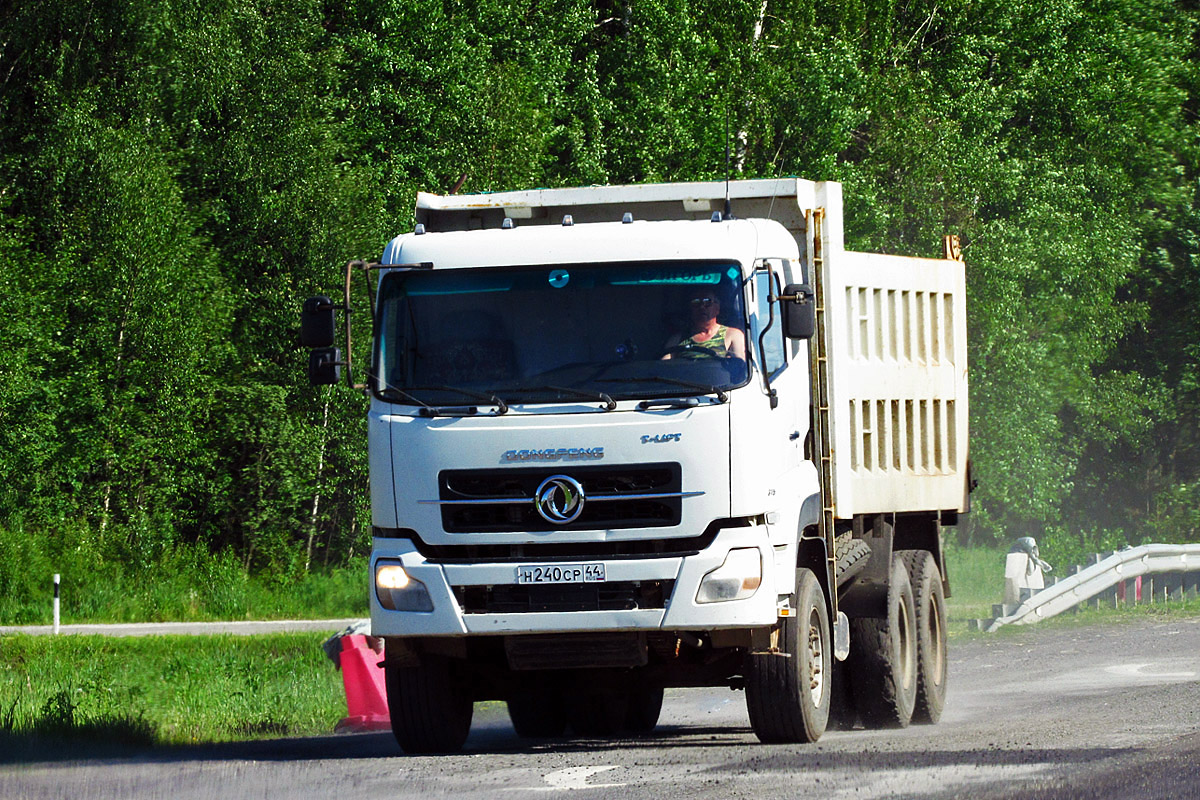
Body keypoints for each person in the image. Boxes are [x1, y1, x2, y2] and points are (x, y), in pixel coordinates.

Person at [663, 290, 746, 362]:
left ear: (717, 308)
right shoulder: (677, 339)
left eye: (707, 302)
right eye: (696, 303)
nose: (702, 307)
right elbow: (664, 368)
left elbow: (740, 366)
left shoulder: (733, 335)